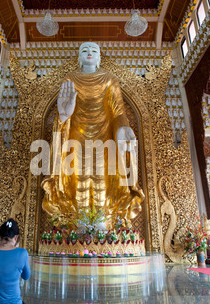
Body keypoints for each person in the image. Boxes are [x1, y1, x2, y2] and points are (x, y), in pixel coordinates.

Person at [41, 41, 144, 228]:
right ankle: (78, 229)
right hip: (75, 138)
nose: (89, 53)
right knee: (76, 180)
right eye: (85, 50)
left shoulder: (109, 79)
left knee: (102, 180)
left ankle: (103, 229)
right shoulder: (69, 79)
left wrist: (123, 129)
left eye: (94, 50)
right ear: (79, 57)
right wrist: (64, 114)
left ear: (99, 57)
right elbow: (62, 113)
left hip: (105, 138)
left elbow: (118, 112)